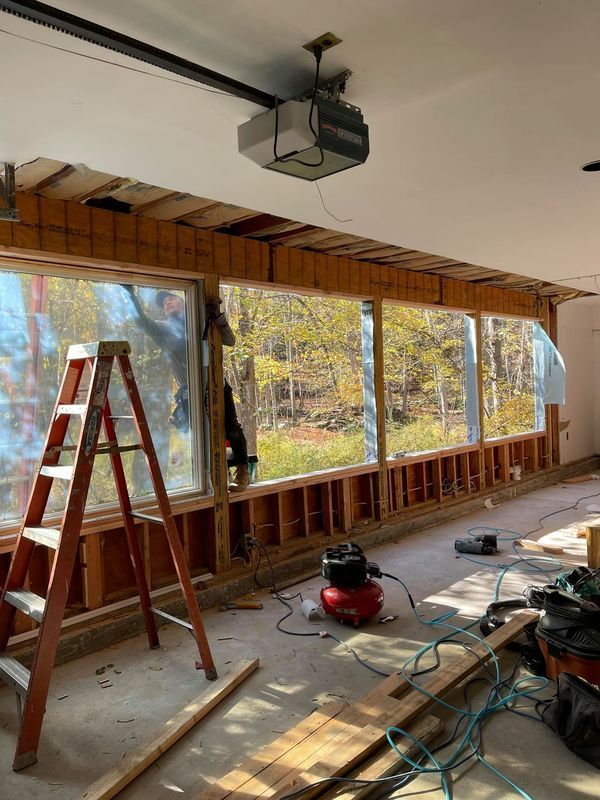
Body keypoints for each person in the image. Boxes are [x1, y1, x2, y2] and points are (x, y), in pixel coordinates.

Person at [122, 285, 250, 491]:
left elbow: (230, 340)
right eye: (164, 304)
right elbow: (142, 322)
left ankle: (242, 471)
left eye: (171, 298)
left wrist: (217, 318)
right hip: (190, 391)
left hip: (217, 385)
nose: (167, 303)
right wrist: (131, 296)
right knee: (200, 433)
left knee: (231, 428)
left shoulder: (200, 324)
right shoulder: (164, 329)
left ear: (184, 302)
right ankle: (212, 476)